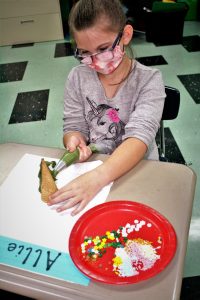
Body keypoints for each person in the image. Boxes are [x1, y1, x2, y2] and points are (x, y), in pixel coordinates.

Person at [48, 0, 165, 215]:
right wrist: (73, 139)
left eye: (103, 49)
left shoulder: (150, 80)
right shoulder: (77, 77)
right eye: (85, 53)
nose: (96, 61)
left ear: (126, 35)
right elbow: (73, 125)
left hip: (138, 167)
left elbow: (139, 138)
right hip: (94, 165)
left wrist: (98, 178)